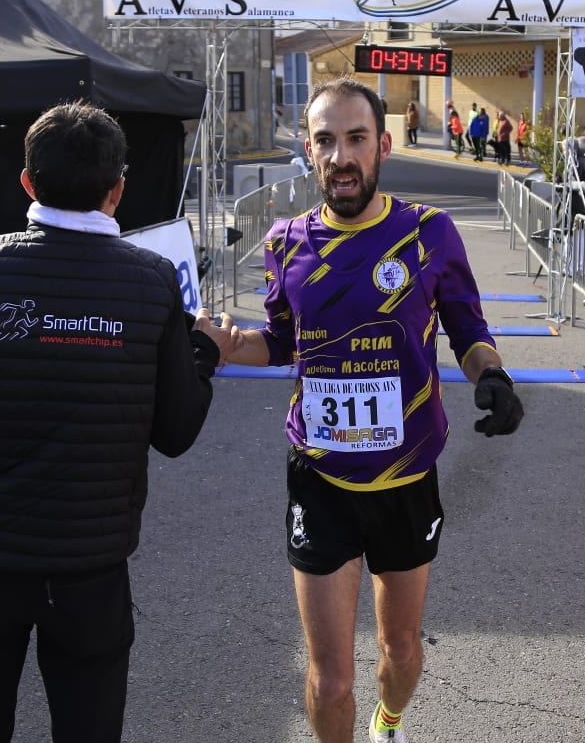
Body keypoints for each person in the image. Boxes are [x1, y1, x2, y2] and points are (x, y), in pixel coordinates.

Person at [0, 100, 238, 743]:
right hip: (88, 572)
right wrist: (205, 353)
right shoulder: (150, 282)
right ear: (117, 191)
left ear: (27, 183)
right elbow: (176, 434)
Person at [224, 78, 524, 743]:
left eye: (355, 138)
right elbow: (275, 340)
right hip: (321, 478)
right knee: (330, 679)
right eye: (325, 141)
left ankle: (388, 723)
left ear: (382, 145)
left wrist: (493, 376)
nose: (341, 156)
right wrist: (212, 341)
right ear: (309, 151)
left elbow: (468, 328)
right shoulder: (285, 243)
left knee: (400, 652)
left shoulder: (429, 233)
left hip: (407, 475)